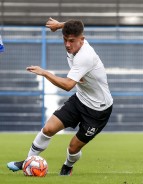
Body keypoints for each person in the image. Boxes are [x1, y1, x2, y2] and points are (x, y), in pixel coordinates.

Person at [7, 18, 113, 175]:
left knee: (73, 148)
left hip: (98, 110)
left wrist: (45, 73)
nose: (67, 45)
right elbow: (76, 24)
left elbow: (68, 85)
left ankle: (67, 166)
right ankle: (28, 161)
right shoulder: (76, 39)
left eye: (71, 41)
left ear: (81, 39)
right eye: (65, 40)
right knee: (48, 128)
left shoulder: (85, 56)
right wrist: (59, 25)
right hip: (80, 99)